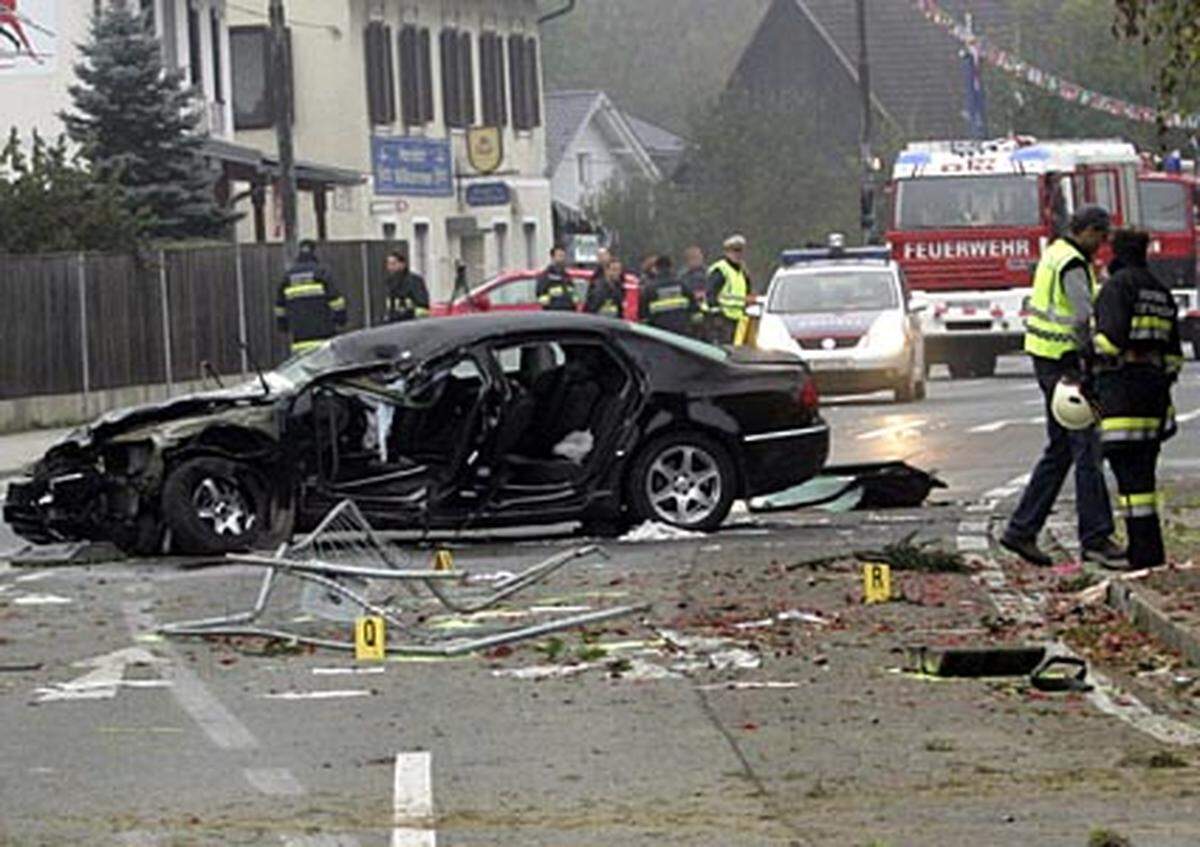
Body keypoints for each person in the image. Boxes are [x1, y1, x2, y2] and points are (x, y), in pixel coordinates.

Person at [1000, 206, 1125, 567]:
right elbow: (1082, 318)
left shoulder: (1054, 253)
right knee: (1087, 450)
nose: (1102, 245)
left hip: (1046, 359)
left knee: (1060, 450)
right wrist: (1093, 360)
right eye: (1099, 237)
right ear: (1085, 231)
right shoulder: (1072, 263)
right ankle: (1097, 538)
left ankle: (1022, 530)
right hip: (1067, 364)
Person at [1091, 229, 1184, 569]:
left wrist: (1084, 352)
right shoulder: (1160, 290)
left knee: (1128, 479)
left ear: (1115, 253)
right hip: (1154, 395)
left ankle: (1140, 554)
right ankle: (1149, 551)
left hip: (1122, 394)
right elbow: (1174, 355)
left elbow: (1110, 342)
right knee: (1143, 480)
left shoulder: (1117, 287)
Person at [275, 240, 346, 355]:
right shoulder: (321, 273)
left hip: (299, 335)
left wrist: (283, 325)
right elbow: (336, 301)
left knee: (302, 367)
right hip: (323, 332)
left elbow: (280, 306)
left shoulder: (288, 277)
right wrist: (340, 319)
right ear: (314, 252)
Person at [640, 254, 699, 336]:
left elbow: (643, 314)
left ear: (656, 269)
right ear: (671, 267)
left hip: (660, 333)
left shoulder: (649, 289)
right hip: (682, 331)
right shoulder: (682, 285)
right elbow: (694, 307)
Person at [707, 234, 751, 344]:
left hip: (739, 318)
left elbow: (747, 294)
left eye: (740, 251)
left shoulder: (743, 272)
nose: (738, 255)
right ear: (727, 252)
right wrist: (717, 315)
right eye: (735, 251)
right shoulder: (720, 270)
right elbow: (711, 293)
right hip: (723, 318)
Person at [383, 251, 429, 323]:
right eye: (388, 264)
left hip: (412, 324)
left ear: (402, 264)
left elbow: (422, 306)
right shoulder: (390, 282)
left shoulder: (414, 281)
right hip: (394, 325)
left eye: (393, 264)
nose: (390, 267)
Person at [678, 245, 711, 340]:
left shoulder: (709, 273)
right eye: (693, 258)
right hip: (689, 313)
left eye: (699, 257)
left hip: (708, 314)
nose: (697, 260)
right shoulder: (682, 276)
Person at [536, 245, 577, 311]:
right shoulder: (546, 276)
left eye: (563, 256)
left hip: (569, 311)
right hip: (554, 312)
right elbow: (541, 295)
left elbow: (573, 293)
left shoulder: (566, 276)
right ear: (553, 257)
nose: (562, 258)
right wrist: (551, 304)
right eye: (560, 256)